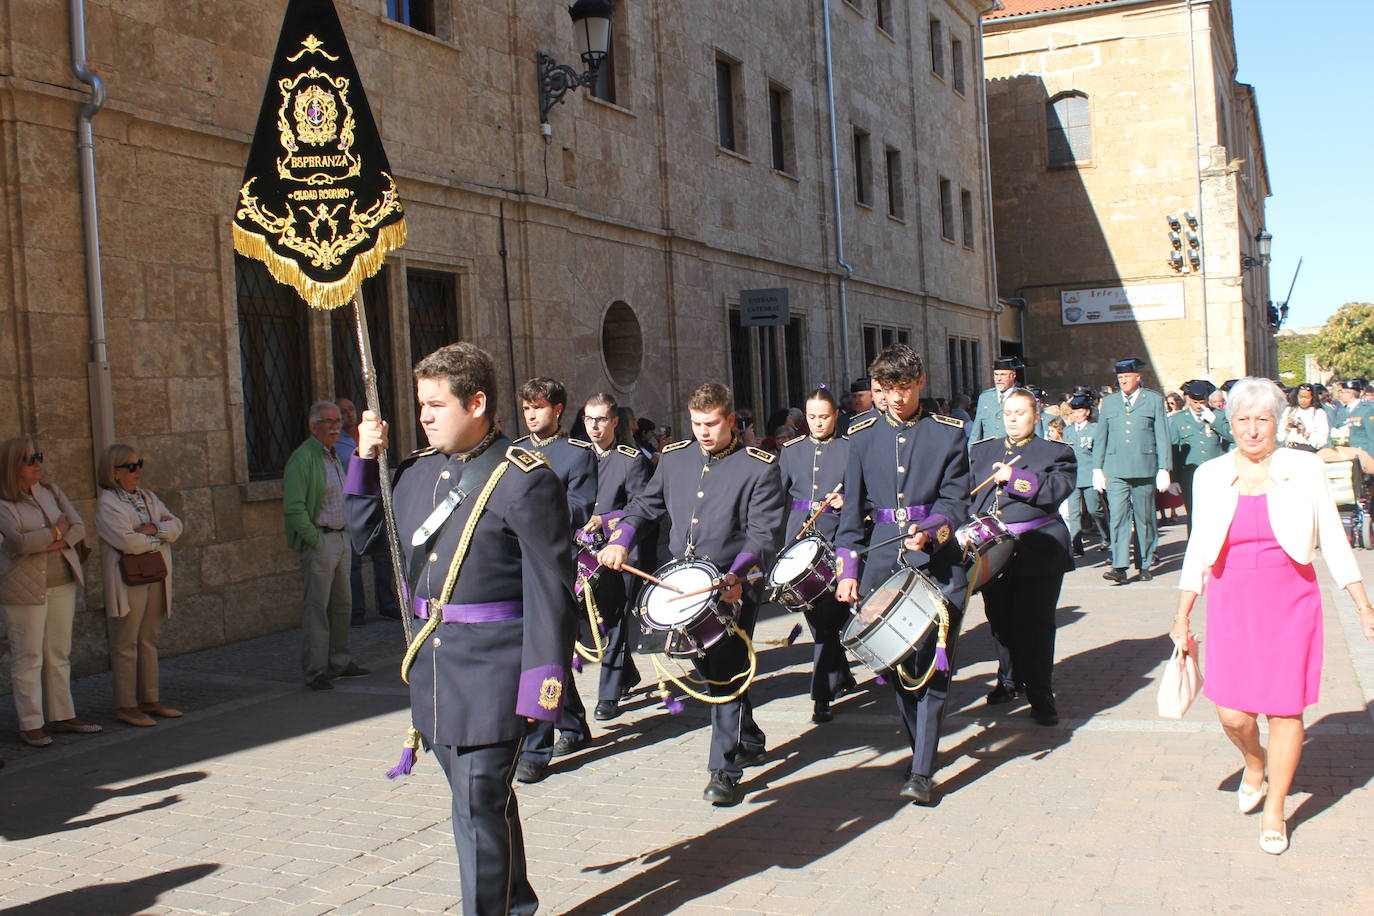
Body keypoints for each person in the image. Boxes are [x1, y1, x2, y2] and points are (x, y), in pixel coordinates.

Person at [348, 342, 576, 915]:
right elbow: (366, 539)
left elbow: (552, 588)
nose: (422, 416)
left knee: (475, 805)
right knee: (483, 804)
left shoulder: (523, 478)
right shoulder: (416, 473)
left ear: (476, 403)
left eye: (435, 404)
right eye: (420, 404)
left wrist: (542, 686)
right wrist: (361, 460)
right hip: (434, 668)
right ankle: (516, 905)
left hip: (496, 673)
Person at [1171, 377, 1374, 856]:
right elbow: (1198, 549)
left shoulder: (1303, 467)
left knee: (1285, 711)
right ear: (1231, 422)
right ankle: (1254, 762)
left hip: (1290, 600)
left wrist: (1363, 604)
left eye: (1262, 419)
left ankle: (1275, 808)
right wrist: (1182, 613)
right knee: (1232, 712)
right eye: (1243, 419)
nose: (1253, 429)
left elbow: (1333, 537)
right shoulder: (1210, 474)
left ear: (1278, 422)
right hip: (1229, 600)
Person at [598, 382, 784, 808]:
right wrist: (622, 539)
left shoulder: (758, 467)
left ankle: (724, 770)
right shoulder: (677, 458)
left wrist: (735, 576)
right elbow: (645, 505)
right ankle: (748, 733)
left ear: (730, 421)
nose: (703, 432)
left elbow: (762, 533)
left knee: (724, 666)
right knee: (717, 668)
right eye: (697, 423)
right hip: (682, 583)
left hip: (732, 583)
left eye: (712, 423)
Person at [834, 344, 971, 805]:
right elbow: (852, 510)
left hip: (937, 563)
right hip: (881, 561)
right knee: (895, 665)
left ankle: (922, 770)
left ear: (920, 383)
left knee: (932, 669)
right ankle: (921, 751)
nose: (894, 399)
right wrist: (848, 568)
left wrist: (932, 530)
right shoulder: (862, 433)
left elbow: (956, 502)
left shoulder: (947, 434)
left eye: (903, 390)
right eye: (886, 390)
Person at [971, 388, 1076, 725]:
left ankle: (1041, 694)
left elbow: (1057, 490)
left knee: (1037, 625)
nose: (1013, 419)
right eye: (1008, 414)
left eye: (1020, 413)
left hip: (1039, 549)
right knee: (1000, 621)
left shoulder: (1055, 452)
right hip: (992, 550)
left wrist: (1015, 478)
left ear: (1036, 415)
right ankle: (1008, 680)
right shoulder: (981, 451)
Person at [513, 376, 598, 783]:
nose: (531, 415)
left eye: (539, 408)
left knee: (546, 653)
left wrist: (533, 512)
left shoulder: (576, 454)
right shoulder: (512, 452)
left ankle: (536, 747)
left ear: (557, 410)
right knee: (541, 653)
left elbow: (580, 507)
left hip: (551, 565)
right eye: (527, 408)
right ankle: (575, 723)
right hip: (514, 565)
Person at [0, 436, 102, 747]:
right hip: (22, 589)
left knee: (59, 652)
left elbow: (79, 527)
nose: (38, 463)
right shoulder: (4, 502)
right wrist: (57, 533)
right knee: (28, 655)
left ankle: (63, 714)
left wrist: (45, 539)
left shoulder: (52, 492)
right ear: (13, 465)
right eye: (30, 459)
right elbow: (18, 544)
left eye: (39, 456)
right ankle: (31, 722)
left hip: (62, 580)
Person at [777, 387, 856, 723]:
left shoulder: (850, 449)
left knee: (829, 618)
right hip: (798, 539)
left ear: (835, 415)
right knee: (815, 617)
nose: (818, 423)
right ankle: (841, 674)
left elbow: (865, 494)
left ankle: (821, 694)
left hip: (835, 539)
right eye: (812, 417)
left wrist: (848, 501)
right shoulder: (791, 451)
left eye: (824, 416)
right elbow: (775, 497)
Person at [96, 444, 184, 727]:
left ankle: (150, 698)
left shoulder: (148, 497)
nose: (138, 471)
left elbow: (177, 526)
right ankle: (127, 705)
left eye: (139, 464)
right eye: (131, 466)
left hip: (155, 572)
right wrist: (159, 534)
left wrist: (153, 530)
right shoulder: (108, 502)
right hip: (128, 577)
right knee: (126, 641)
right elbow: (126, 541)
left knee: (149, 637)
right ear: (115, 472)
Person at [577, 393, 653, 721]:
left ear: (614, 422)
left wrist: (605, 520)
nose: (595, 426)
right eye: (590, 419)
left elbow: (643, 506)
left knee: (618, 619)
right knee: (599, 620)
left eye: (602, 419)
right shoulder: (575, 456)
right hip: (582, 551)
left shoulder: (630, 458)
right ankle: (627, 673)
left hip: (619, 549)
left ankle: (608, 695)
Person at [283, 401, 368, 690]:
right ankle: (316, 670)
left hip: (341, 538)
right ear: (313, 426)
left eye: (337, 421)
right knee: (318, 608)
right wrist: (314, 539)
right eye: (329, 421)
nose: (336, 426)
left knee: (342, 605)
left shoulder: (332, 455)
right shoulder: (303, 458)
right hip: (321, 540)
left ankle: (339, 662)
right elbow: (294, 508)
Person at [1092, 358, 1172, 584]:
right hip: (1115, 468)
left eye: (1127, 377)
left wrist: (1164, 467)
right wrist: (1097, 468)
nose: (1123, 381)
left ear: (1138, 377)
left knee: (1145, 518)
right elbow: (1101, 436)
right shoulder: (1109, 402)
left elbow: (1162, 436)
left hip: (1144, 467)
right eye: (1120, 378)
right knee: (1118, 517)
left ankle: (1145, 562)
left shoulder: (1153, 400)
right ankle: (1119, 565)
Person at [336, 396, 401, 627]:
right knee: (355, 561)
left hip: (377, 501)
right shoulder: (337, 443)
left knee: (383, 558)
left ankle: (387, 602)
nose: (348, 415)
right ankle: (358, 611)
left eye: (350, 409)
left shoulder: (370, 435)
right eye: (342, 411)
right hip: (355, 504)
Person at [1169, 380, 1232, 532]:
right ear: (1188, 399)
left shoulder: (1218, 415)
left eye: (1202, 402)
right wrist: (1174, 479)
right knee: (1194, 516)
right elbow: (1173, 452)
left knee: (1218, 516)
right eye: (1195, 402)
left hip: (1216, 474)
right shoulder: (1178, 419)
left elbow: (1234, 437)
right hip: (1190, 475)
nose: (1198, 406)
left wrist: (1215, 422)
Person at [1062, 393, 1109, 557]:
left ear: (1087, 412)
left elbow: (1100, 452)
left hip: (1090, 475)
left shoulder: (1095, 429)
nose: (1076, 415)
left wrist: (1102, 473)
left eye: (1079, 411)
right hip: (1073, 476)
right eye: (1073, 412)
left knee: (1094, 509)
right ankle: (1076, 544)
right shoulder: (1067, 431)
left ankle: (1106, 534)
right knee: (1074, 512)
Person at [968, 356, 1022, 446]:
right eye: (996, 375)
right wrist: (972, 456)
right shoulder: (985, 397)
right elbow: (976, 432)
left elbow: (1036, 432)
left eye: (1003, 375)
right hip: (989, 453)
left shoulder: (1024, 397)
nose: (998, 379)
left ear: (1013, 375)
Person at [1327, 379, 1374, 474]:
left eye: (1346, 392)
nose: (1342, 395)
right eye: (1342, 392)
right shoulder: (1341, 411)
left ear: (1353, 394)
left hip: (1362, 453)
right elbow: (1336, 431)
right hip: (1345, 453)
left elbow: (1371, 436)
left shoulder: (1367, 409)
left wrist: (1371, 458)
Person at [1279, 384, 1329, 453]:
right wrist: (1288, 426)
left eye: (1307, 397)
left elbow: (1321, 440)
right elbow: (1280, 437)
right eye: (1301, 397)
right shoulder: (1289, 410)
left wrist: (1305, 432)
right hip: (1289, 448)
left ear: (1312, 397)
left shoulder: (1319, 413)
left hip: (1307, 450)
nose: (1303, 400)